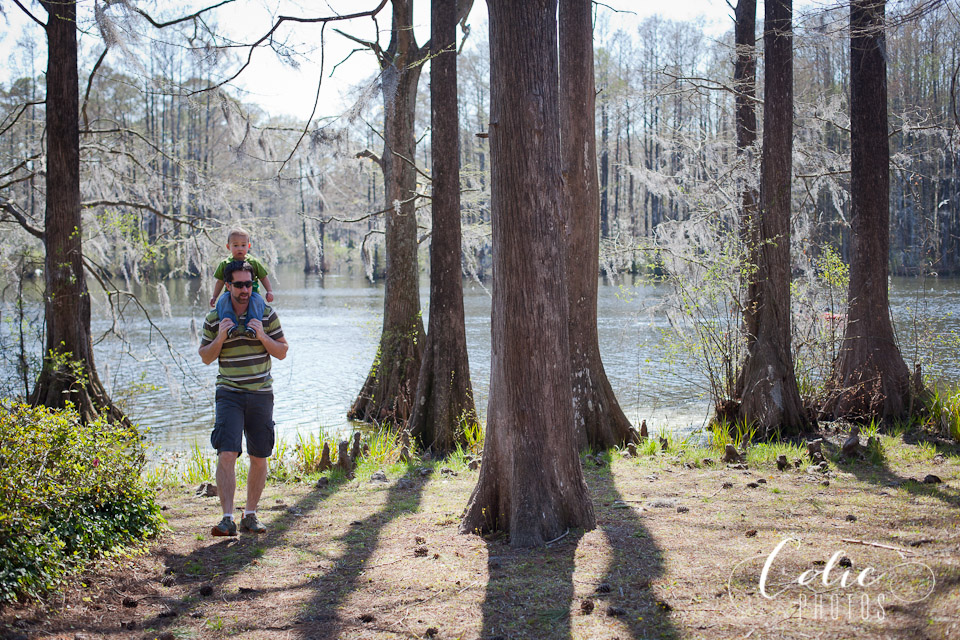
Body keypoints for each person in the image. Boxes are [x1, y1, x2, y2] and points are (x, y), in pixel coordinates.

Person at [198, 261, 289, 536]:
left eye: (249, 284)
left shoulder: (266, 314)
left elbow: (282, 351)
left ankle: (250, 514)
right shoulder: (216, 317)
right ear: (228, 286)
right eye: (238, 285)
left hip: (261, 393)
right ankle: (227, 518)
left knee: (259, 456)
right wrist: (221, 338)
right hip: (229, 393)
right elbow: (205, 357)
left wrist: (261, 335)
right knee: (227, 453)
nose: (245, 290)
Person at [209, 228, 275, 338]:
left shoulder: (253, 262)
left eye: (243, 245)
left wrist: (269, 291)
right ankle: (230, 327)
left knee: (257, 301)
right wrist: (214, 297)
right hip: (230, 294)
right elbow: (220, 281)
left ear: (248, 246)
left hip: (252, 293)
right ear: (228, 247)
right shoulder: (225, 264)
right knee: (223, 301)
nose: (240, 248)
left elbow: (263, 277)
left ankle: (252, 327)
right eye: (235, 245)